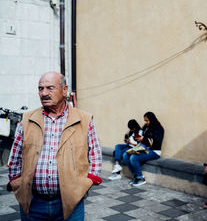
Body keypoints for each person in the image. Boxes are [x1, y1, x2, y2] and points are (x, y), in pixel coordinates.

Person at [7, 72, 102, 220]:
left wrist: (83, 186)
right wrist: (17, 184)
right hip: (33, 203)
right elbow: (15, 157)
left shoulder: (84, 119)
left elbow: (95, 155)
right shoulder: (27, 119)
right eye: (40, 88)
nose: (44, 93)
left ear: (64, 90)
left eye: (50, 88)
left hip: (71, 203)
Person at [122, 111, 164, 186]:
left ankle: (141, 178)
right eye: (145, 120)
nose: (146, 122)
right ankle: (136, 176)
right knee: (125, 155)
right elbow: (143, 137)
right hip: (143, 148)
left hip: (154, 151)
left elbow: (157, 142)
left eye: (147, 120)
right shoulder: (146, 127)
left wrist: (143, 139)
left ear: (152, 119)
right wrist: (137, 139)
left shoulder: (159, 128)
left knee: (133, 157)